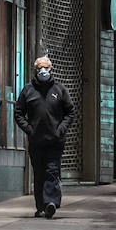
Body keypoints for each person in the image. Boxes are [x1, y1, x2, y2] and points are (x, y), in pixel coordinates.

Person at [14, 56, 75, 219]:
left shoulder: (60, 90)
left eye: (46, 67)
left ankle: (51, 203)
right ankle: (41, 206)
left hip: (55, 141)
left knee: (52, 171)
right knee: (39, 173)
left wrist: (60, 130)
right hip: (36, 141)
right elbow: (18, 113)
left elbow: (70, 112)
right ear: (35, 70)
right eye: (40, 67)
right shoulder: (28, 90)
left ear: (51, 69)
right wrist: (29, 130)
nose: (43, 70)